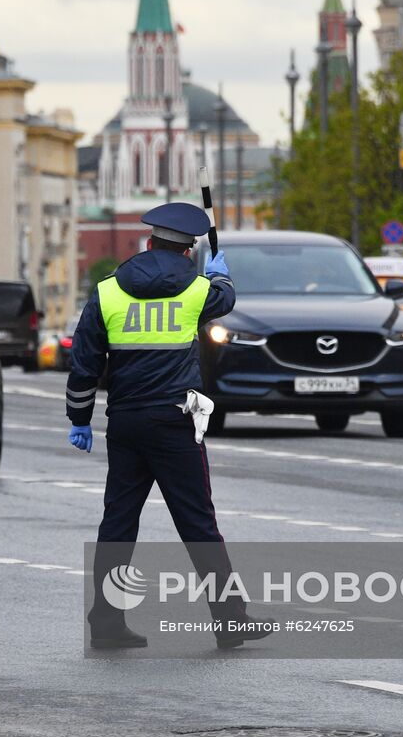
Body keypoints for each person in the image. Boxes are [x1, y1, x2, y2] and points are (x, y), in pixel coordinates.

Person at [66, 202, 271, 650]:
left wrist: (79, 418)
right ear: (188, 252)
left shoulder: (107, 292)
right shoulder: (197, 290)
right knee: (198, 524)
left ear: (148, 243)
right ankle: (230, 619)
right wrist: (221, 273)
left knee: (118, 524)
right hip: (176, 423)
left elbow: (83, 364)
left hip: (126, 424)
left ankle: (106, 622)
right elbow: (226, 298)